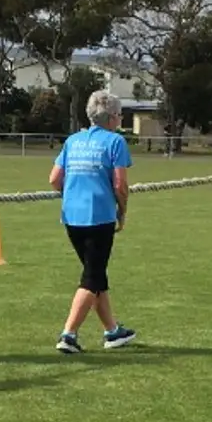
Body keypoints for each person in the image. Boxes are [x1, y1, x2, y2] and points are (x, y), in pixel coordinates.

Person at [51, 91, 138, 351]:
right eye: (120, 115)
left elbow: (54, 180)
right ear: (112, 117)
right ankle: (69, 335)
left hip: (71, 217)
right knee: (91, 278)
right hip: (99, 217)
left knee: (96, 274)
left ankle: (112, 331)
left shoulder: (73, 140)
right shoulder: (115, 141)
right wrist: (122, 211)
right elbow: (120, 184)